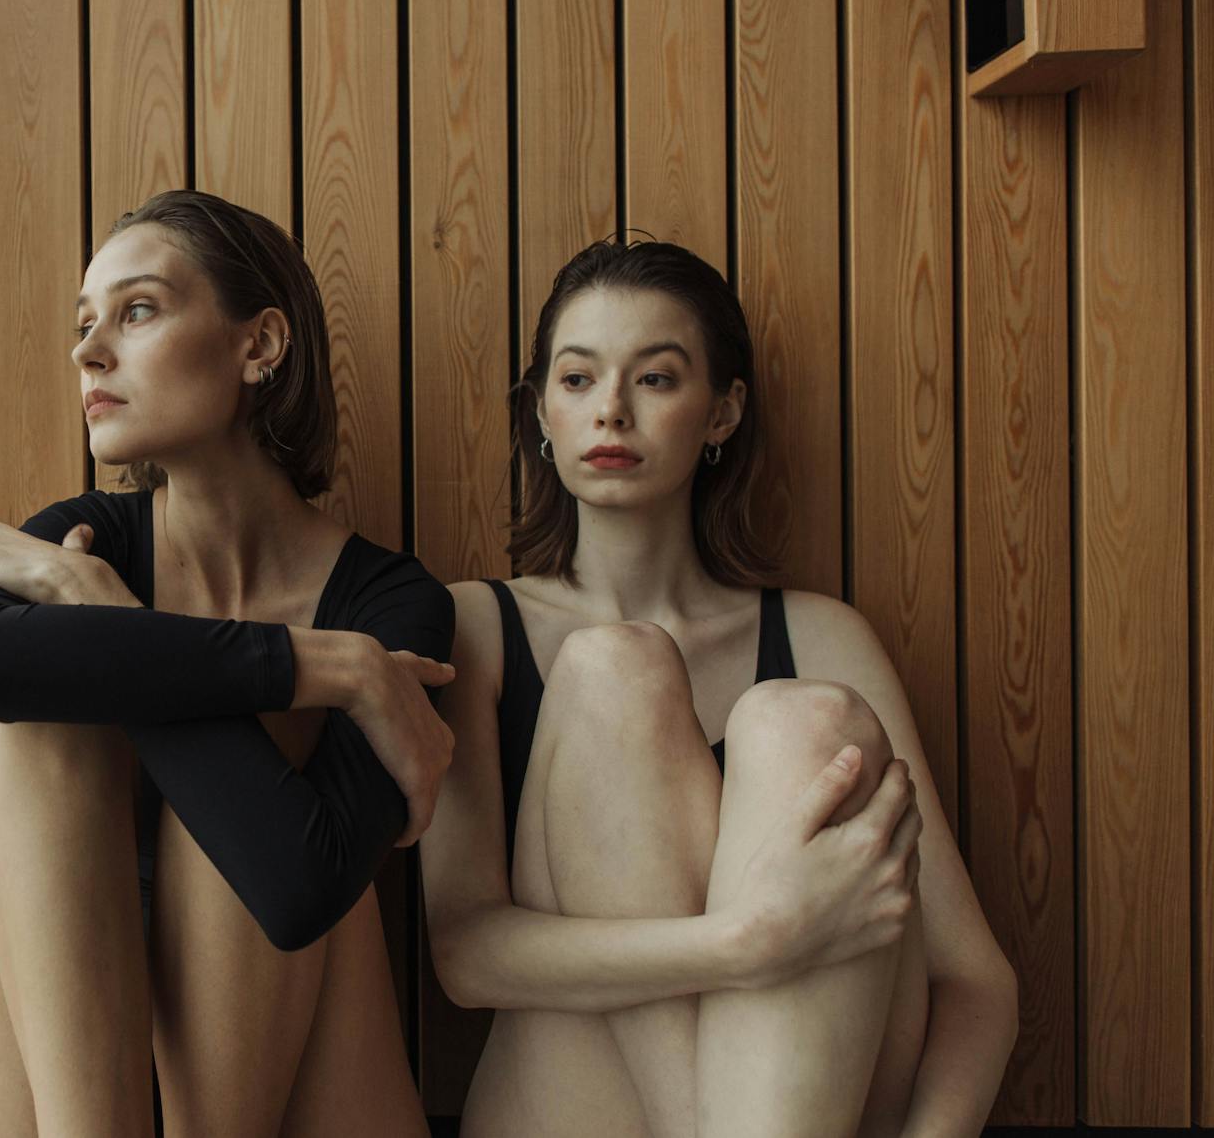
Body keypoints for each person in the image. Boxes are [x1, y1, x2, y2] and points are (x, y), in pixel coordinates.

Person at [420, 236, 1018, 1137]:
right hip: (582, 1096)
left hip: (810, 1093)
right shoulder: (477, 626)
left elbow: (973, 979)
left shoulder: (821, 638)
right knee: (612, 666)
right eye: (578, 379)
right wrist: (753, 940)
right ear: (540, 411)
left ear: (722, 412)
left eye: (655, 379)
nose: (611, 410)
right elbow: (467, 949)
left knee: (804, 720)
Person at [0, 190, 453, 1138]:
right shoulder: (81, 540)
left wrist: (109, 611)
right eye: (85, 324)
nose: (89, 350)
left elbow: (295, 886)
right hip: (61, 1111)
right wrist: (329, 668)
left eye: (139, 310)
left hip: (279, 1108)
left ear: (260, 345)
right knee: (49, 713)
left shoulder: (388, 605)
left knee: (230, 713)